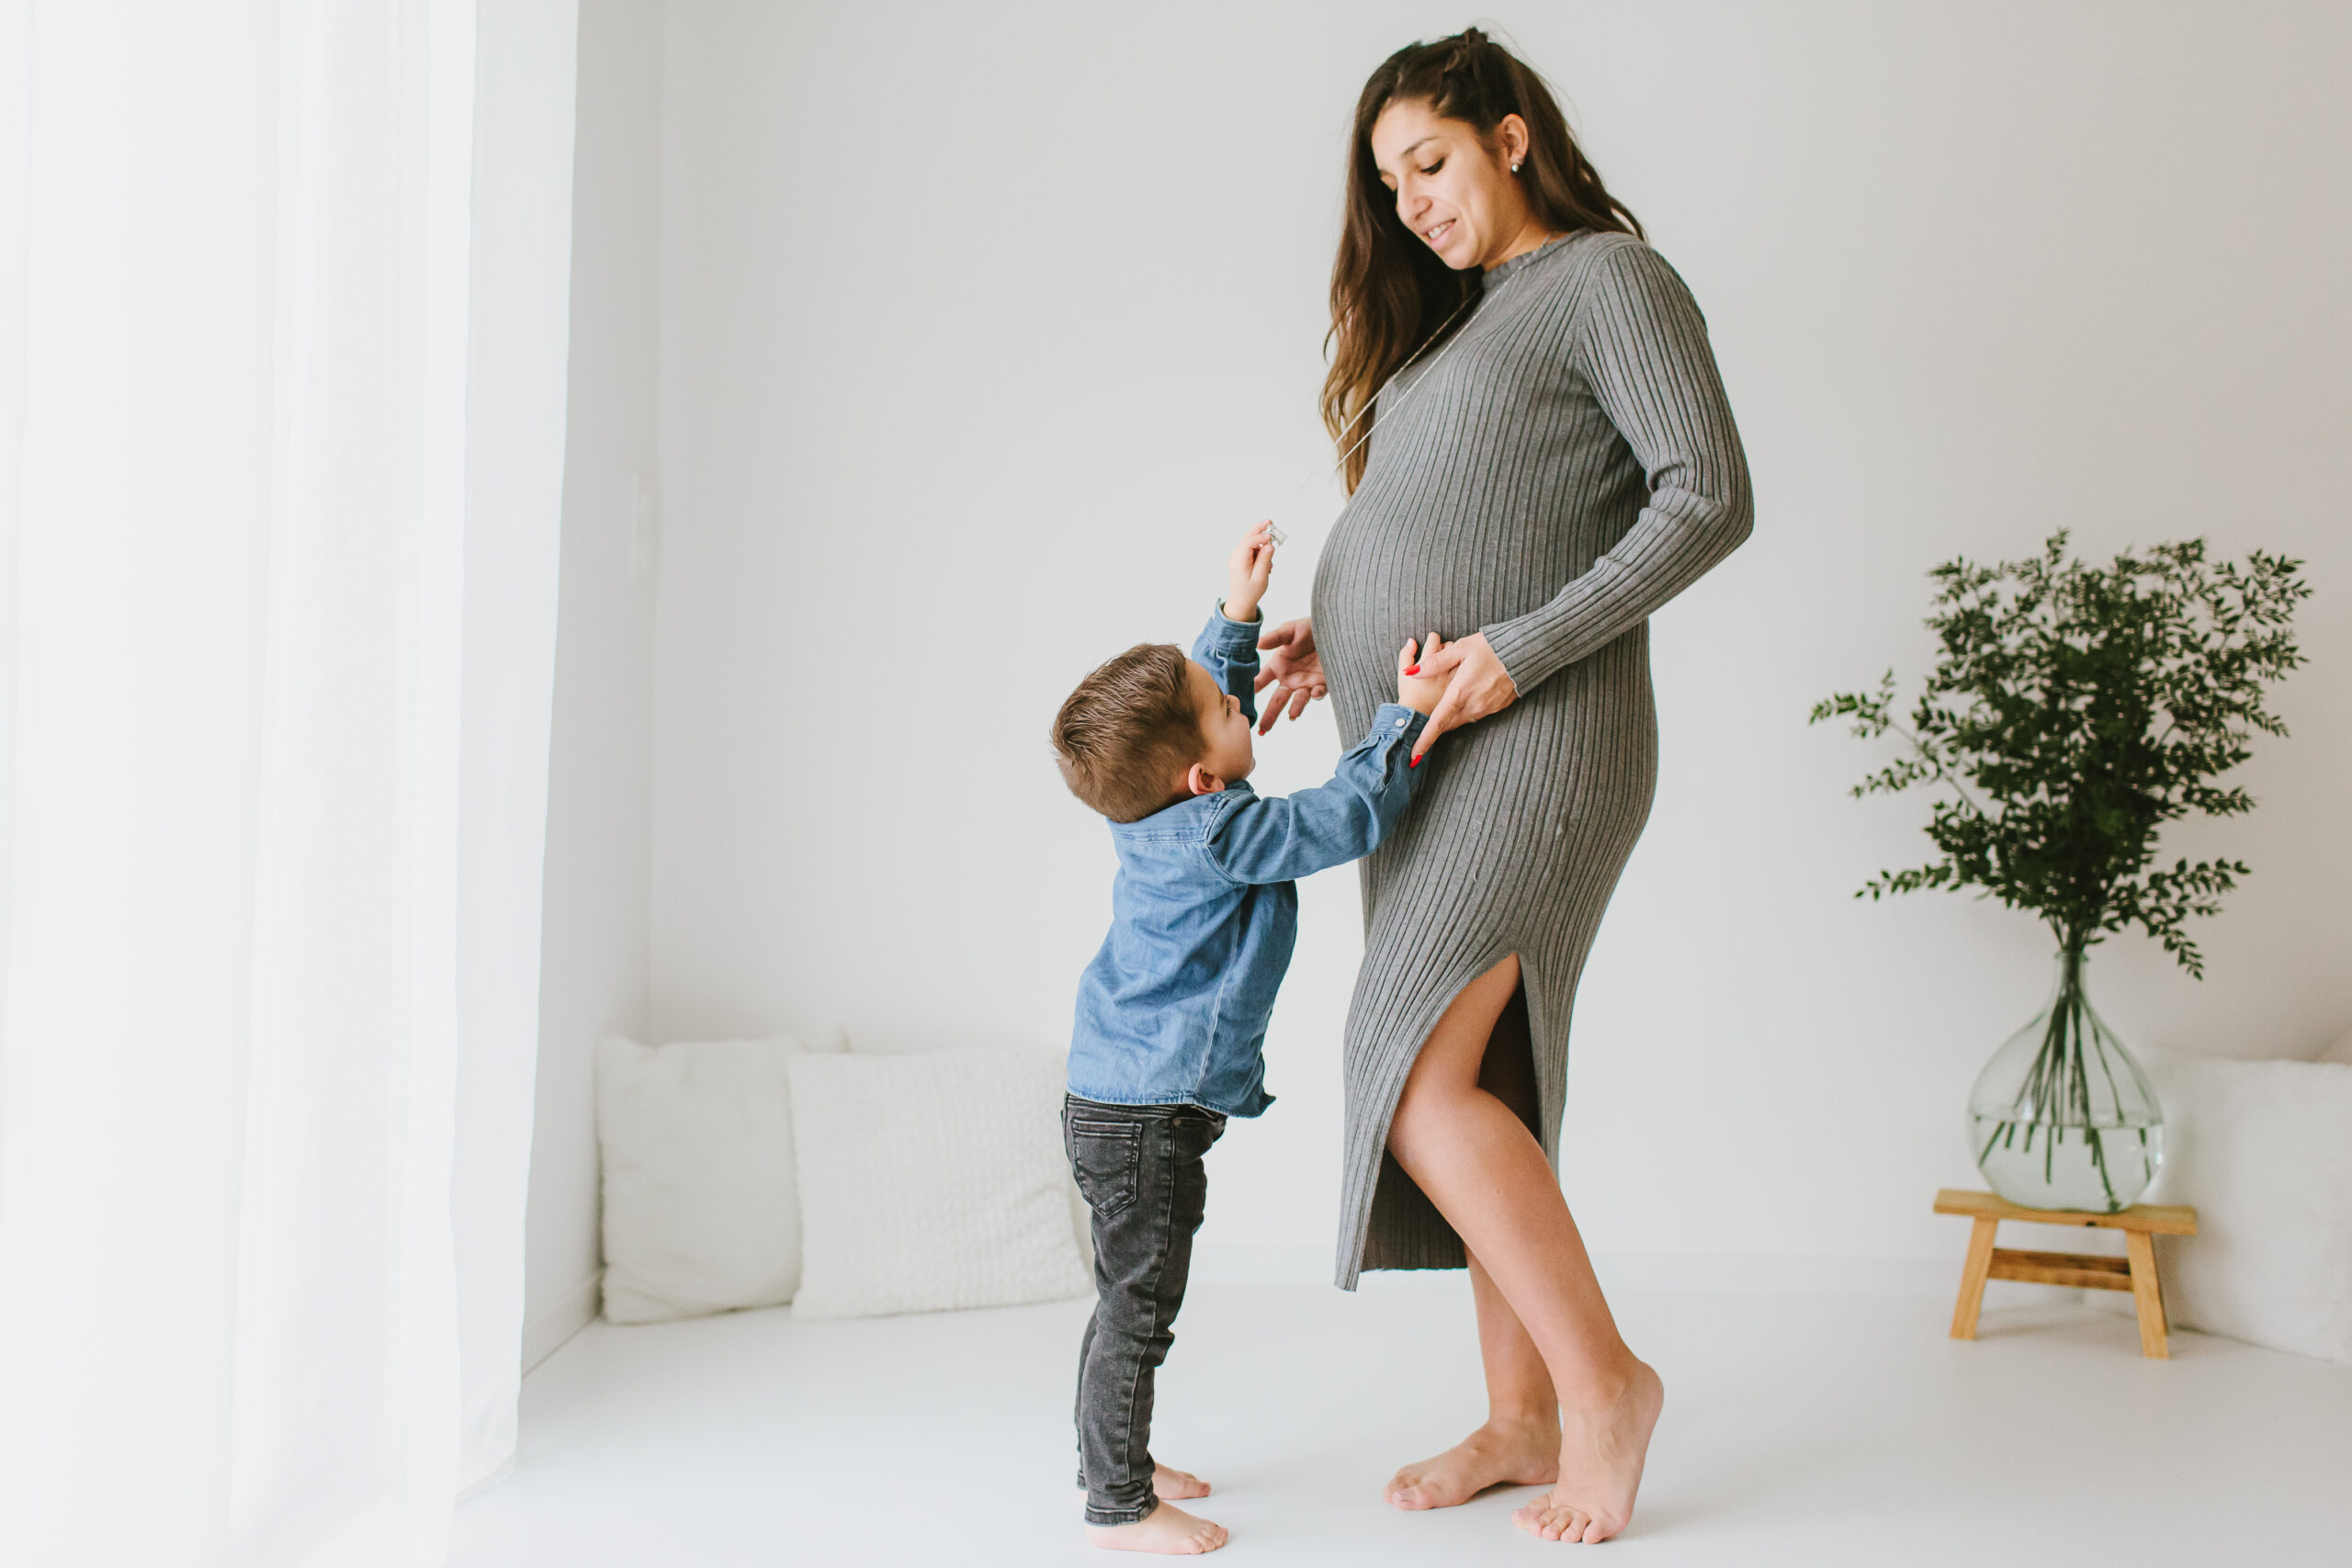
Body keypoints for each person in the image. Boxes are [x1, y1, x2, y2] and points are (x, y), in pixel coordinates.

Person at [1252, 30, 1755, 1546]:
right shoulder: (1462, 325)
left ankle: (1605, 1388)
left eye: (1432, 162)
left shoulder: (1612, 280)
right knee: (1484, 1078)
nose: (1409, 200)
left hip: (1544, 740)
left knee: (1408, 1070)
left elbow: (1710, 493)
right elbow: (1482, 517)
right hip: (1421, 745)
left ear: (1512, 138)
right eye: (1388, 180)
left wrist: (1518, 654)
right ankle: (1521, 1414)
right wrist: (1339, 643)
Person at [1048, 520, 1451, 1554]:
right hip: (1147, 1117)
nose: (1239, 705)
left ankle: (1117, 1457)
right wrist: (1400, 721)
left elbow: (1190, 710)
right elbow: (1342, 816)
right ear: (1200, 773)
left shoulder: (1162, 807)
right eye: (1230, 708)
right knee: (1137, 1313)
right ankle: (1118, 1506)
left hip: (1111, 1100)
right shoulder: (1225, 832)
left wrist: (1235, 612)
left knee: (1124, 1304)